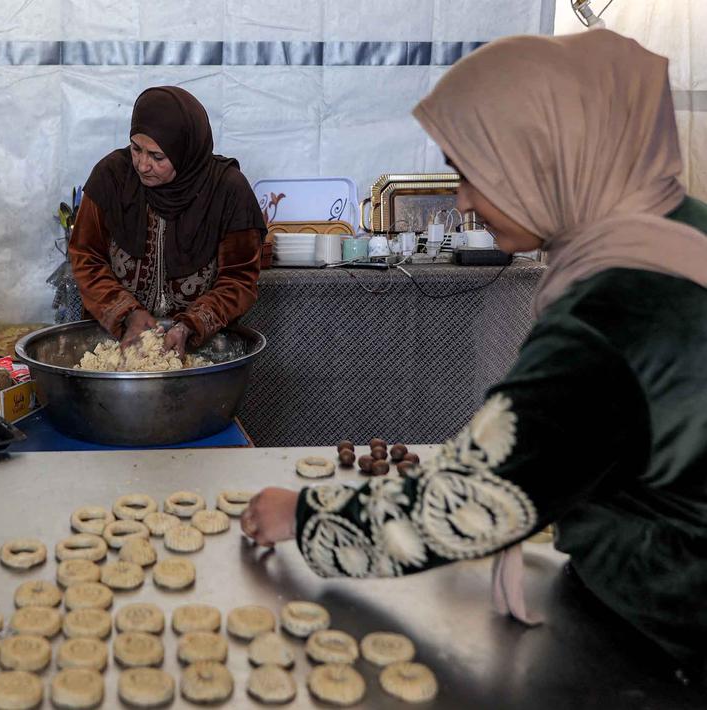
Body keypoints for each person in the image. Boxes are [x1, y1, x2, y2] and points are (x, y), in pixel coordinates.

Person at [242, 30, 707, 677]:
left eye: (471, 173)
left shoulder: (614, 313)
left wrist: (301, 514)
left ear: (545, 159)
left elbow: (462, 503)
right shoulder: (678, 233)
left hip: (674, 637)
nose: (458, 200)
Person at [68, 86, 266, 357]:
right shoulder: (111, 176)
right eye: (136, 149)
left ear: (186, 151)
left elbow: (239, 279)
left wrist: (189, 326)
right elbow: (85, 256)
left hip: (198, 351)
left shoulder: (228, 191)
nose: (142, 165)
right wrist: (126, 313)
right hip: (115, 346)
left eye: (157, 156)